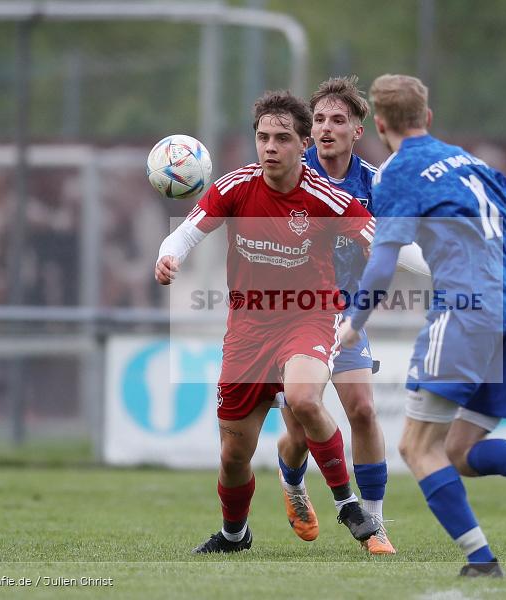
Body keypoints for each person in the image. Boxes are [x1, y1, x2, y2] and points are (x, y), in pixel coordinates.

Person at [338, 74, 506, 577]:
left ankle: (482, 561)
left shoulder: (394, 174)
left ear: (382, 125)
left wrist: (355, 322)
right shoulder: (476, 163)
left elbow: (383, 261)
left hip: (466, 307)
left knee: (416, 446)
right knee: (456, 451)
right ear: (428, 118)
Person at [156, 90, 381, 553]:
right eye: (262, 137)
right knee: (234, 455)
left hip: (310, 316)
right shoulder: (236, 186)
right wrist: (167, 257)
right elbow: (187, 231)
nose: (270, 147)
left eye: (281, 138)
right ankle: (234, 535)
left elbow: (386, 243)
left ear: (304, 145)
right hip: (247, 331)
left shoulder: (326, 198)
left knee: (303, 399)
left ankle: (348, 505)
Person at [274, 76, 397, 555]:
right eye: (320, 119)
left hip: (345, 313)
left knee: (363, 410)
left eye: (337, 120)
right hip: (291, 314)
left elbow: (389, 250)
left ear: (357, 129)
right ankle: (293, 485)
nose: (327, 128)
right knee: (301, 434)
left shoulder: (375, 184)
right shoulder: (288, 173)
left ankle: (376, 522)